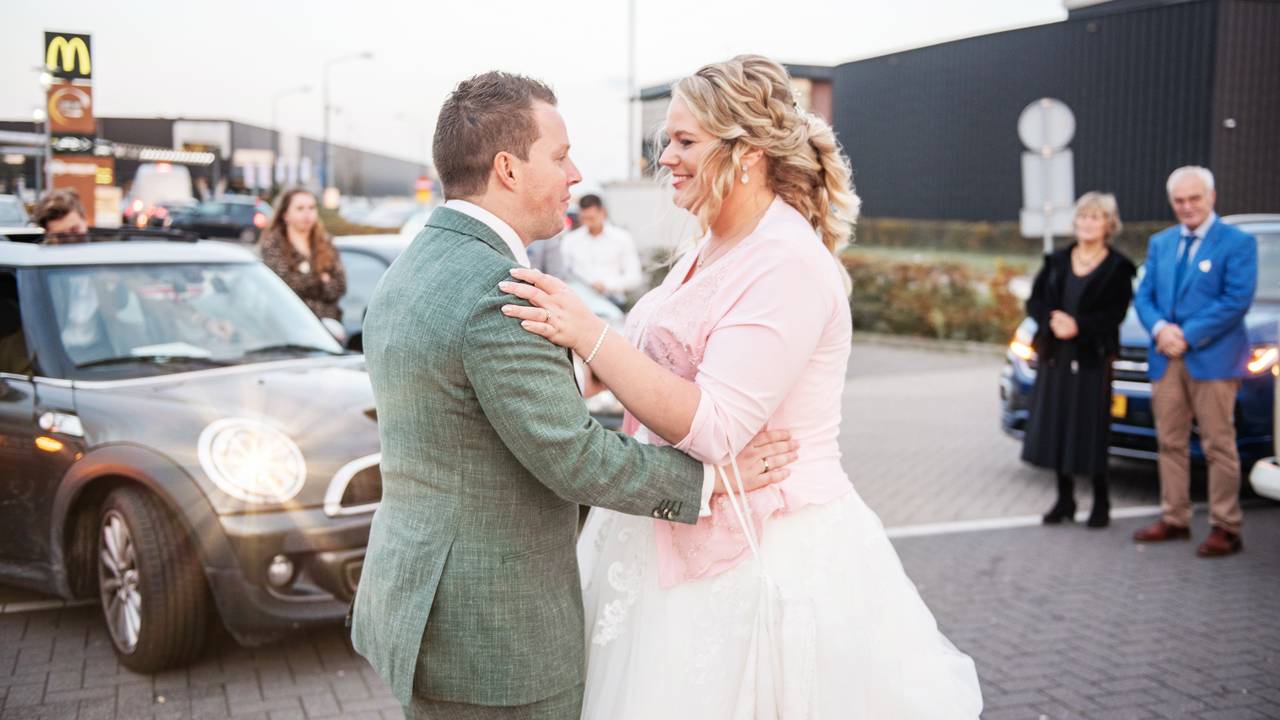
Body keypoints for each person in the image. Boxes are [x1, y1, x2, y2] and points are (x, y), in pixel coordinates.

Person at [500, 55, 982, 718]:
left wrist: (591, 334)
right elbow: (652, 362)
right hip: (672, 523)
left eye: (685, 141)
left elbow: (718, 428)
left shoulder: (786, 262)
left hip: (764, 551)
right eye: (665, 140)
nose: (666, 157)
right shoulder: (710, 244)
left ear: (748, 152)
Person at [349, 71, 796, 719]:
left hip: (419, 599)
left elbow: (466, 409)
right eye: (559, 157)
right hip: (495, 636)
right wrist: (715, 479)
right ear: (508, 169)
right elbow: (575, 458)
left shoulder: (416, 264)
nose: (575, 175)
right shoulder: (495, 290)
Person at [1132, 166, 1256, 557]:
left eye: (1194, 198)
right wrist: (1159, 330)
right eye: (1179, 200)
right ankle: (1175, 518)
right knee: (1170, 442)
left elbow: (1236, 300)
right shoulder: (1161, 243)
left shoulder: (1237, 243)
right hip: (1166, 359)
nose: (1187, 207)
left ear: (1211, 197)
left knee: (1218, 445)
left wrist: (1186, 334)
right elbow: (1144, 296)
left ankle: (1226, 526)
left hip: (1213, 359)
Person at [1022, 192, 1136, 528]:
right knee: (1058, 423)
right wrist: (1052, 322)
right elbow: (1035, 301)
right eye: (1083, 216)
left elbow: (1115, 314)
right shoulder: (1056, 261)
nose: (1087, 223)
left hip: (1092, 358)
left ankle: (1101, 499)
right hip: (1055, 356)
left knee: (1091, 426)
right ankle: (1065, 499)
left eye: (1095, 217)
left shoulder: (1118, 268)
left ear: (1108, 225)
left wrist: (1079, 326)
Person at [259, 188, 347, 321]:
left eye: (311, 208)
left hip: (327, 326)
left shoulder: (326, 243)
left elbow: (340, 285)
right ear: (285, 214)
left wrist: (305, 281)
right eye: (300, 208)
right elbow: (286, 288)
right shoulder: (273, 245)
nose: (307, 214)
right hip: (289, 323)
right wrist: (321, 280)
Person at [559, 194, 643, 305]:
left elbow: (634, 277)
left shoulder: (622, 238)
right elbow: (563, 273)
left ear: (602, 213)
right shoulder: (570, 240)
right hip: (579, 301)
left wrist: (606, 285)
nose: (588, 223)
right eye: (584, 219)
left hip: (613, 301)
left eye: (591, 218)